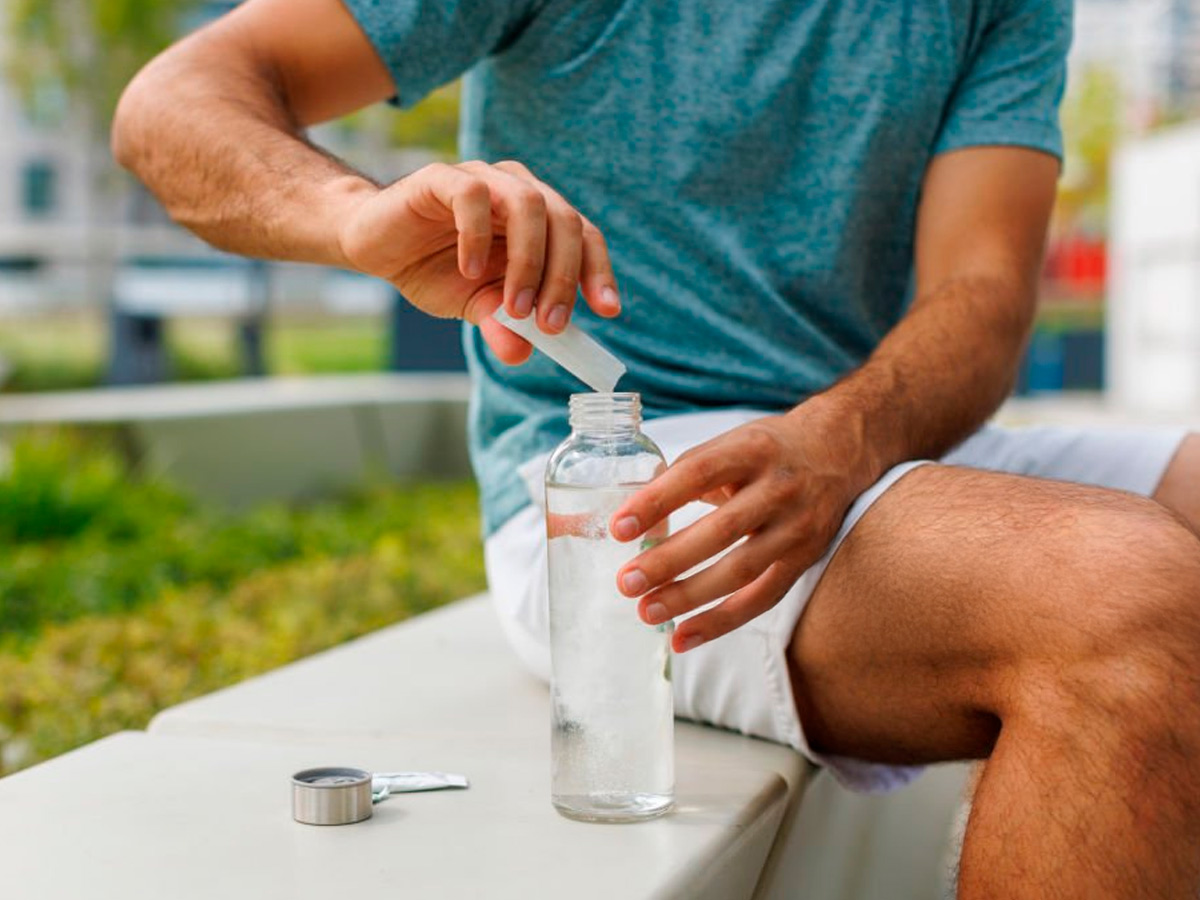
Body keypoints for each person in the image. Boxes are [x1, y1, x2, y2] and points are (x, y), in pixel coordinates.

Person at [113, 0, 1200, 894]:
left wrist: (846, 435)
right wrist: (357, 215)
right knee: (1127, 600)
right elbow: (172, 106)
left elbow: (985, 288)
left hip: (865, 434)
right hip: (619, 467)